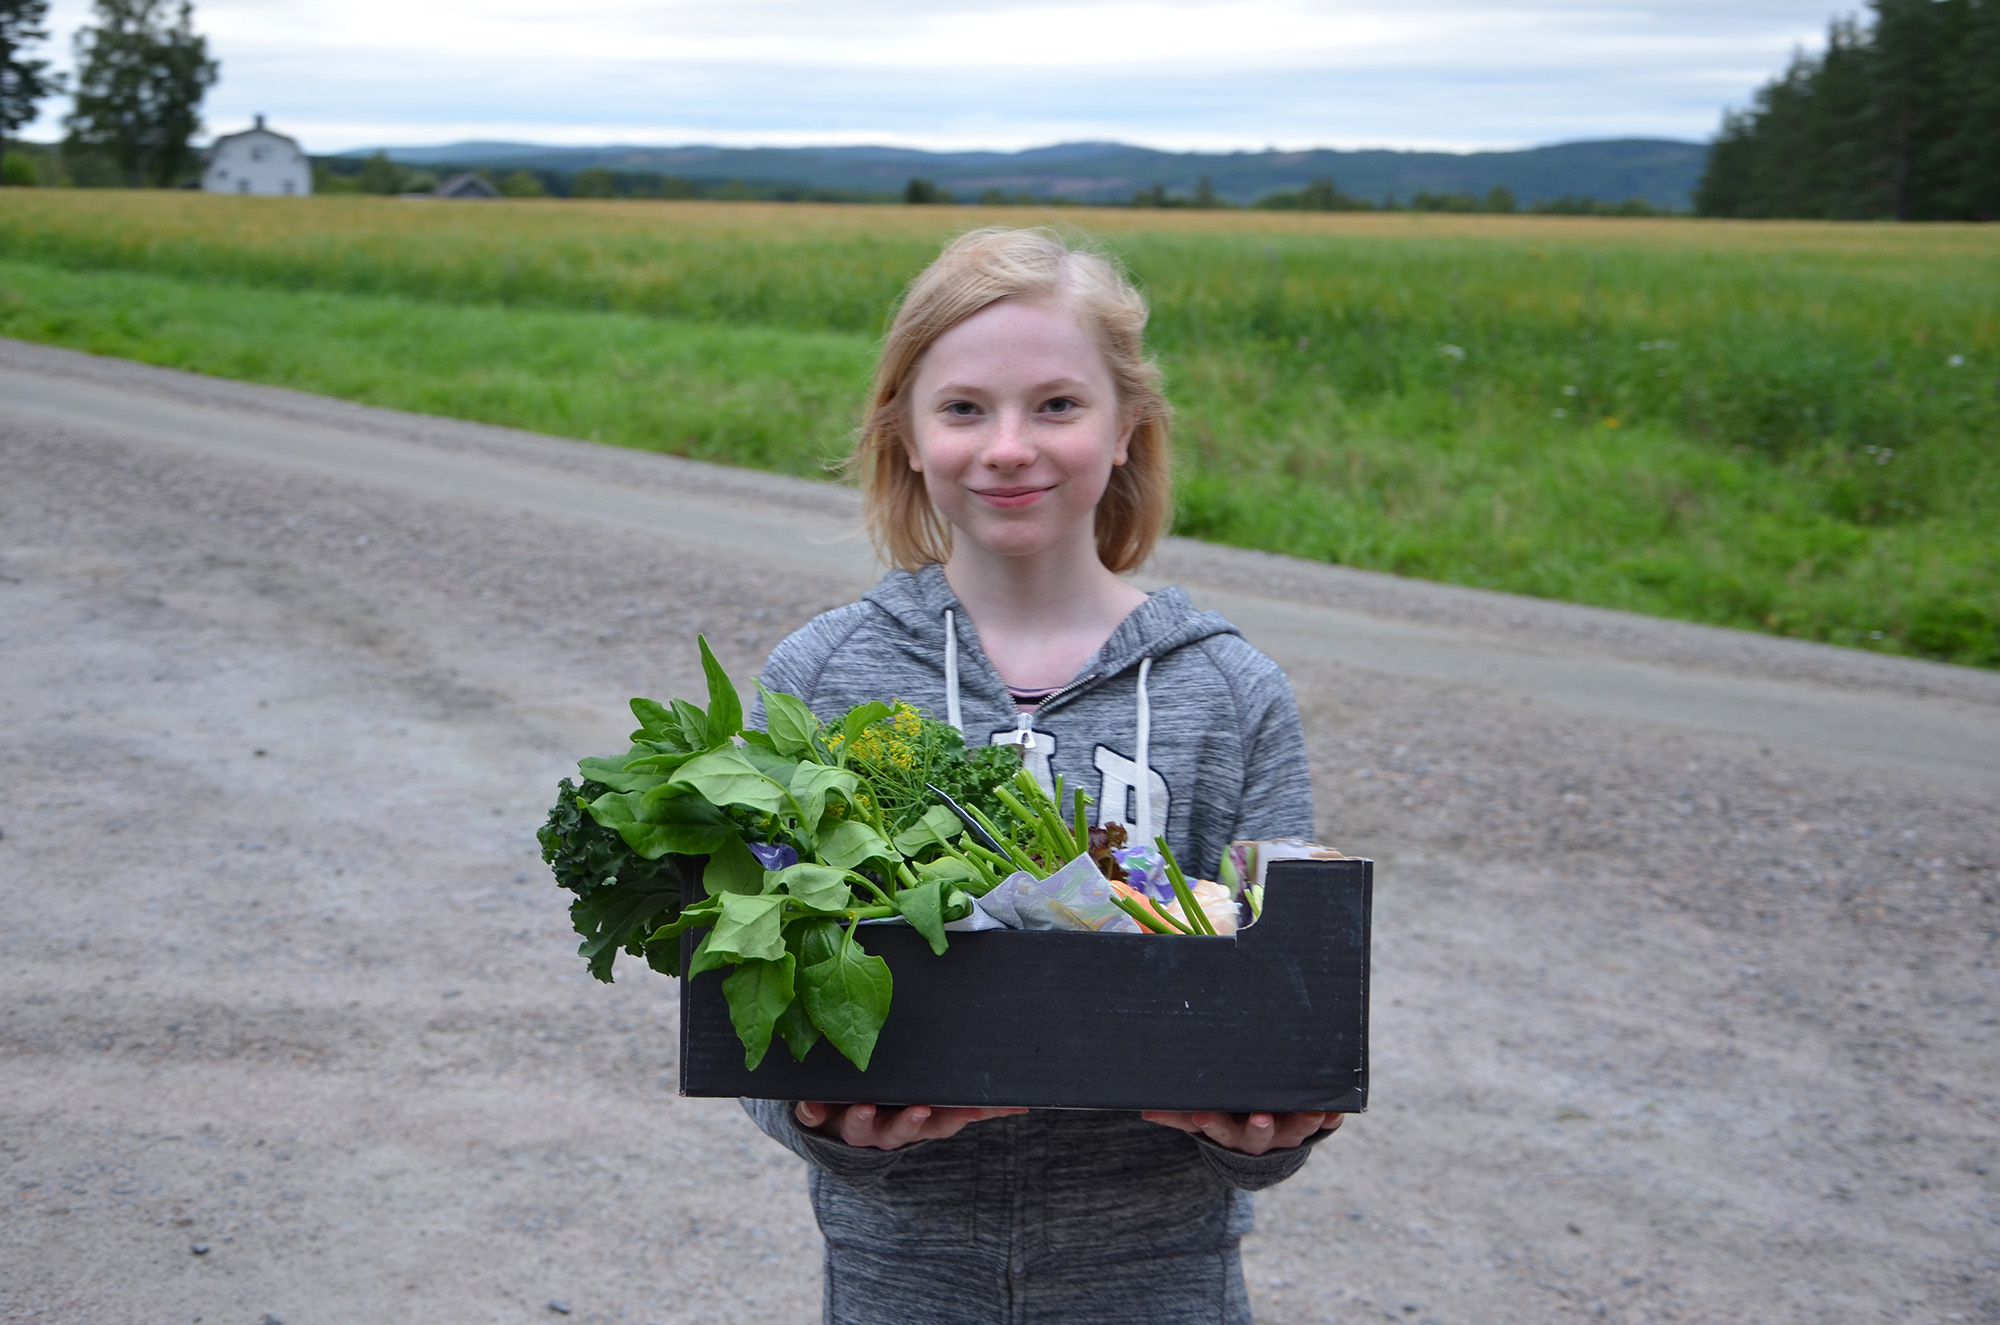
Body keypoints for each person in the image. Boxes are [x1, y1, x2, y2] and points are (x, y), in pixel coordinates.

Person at [743, 227, 1340, 1324]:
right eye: (963, 407)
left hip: (1156, 1273)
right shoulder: (819, 677)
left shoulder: (1232, 690)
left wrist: (1271, 1126)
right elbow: (752, 991)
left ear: (1126, 433)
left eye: (1056, 405)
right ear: (906, 437)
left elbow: (1284, 992)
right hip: (901, 1274)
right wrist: (820, 1122)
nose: (1008, 446)